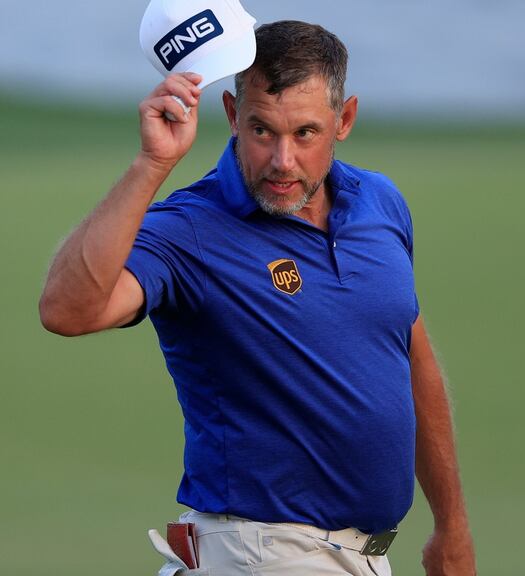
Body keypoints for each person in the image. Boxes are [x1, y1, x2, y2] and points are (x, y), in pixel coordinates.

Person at [39, 20, 476, 576]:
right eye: (262, 131)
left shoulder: (380, 204)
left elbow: (411, 361)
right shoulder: (190, 228)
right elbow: (66, 310)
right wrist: (152, 166)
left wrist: (452, 526)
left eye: (305, 134)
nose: (282, 162)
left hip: (363, 557)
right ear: (232, 116)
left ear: (344, 121)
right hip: (262, 554)